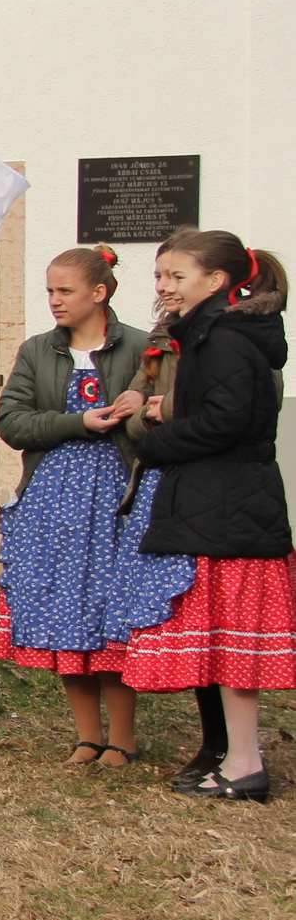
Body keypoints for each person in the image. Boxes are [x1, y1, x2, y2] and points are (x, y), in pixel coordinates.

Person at [0, 246, 181, 767]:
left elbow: (161, 415)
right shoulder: (37, 350)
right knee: (62, 610)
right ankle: (87, 735)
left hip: (119, 497)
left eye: (65, 290)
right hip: (52, 500)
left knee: (109, 614)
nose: (54, 300)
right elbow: (11, 421)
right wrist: (77, 422)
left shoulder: (142, 347)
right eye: (49, 291)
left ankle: (122, 737)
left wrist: (131, 416)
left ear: (99, 293)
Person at [123, 230, 294, 802]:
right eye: (160, 276)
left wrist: (157, 443)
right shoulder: (212, 332)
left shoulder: (223, 337)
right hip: (221, 503)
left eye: (177, 276)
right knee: (224, 641)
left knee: (236, 644)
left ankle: (244, 765)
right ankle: (235, 757)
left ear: (216, 280)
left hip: (229, 506)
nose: (164, 287)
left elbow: (226, 422)